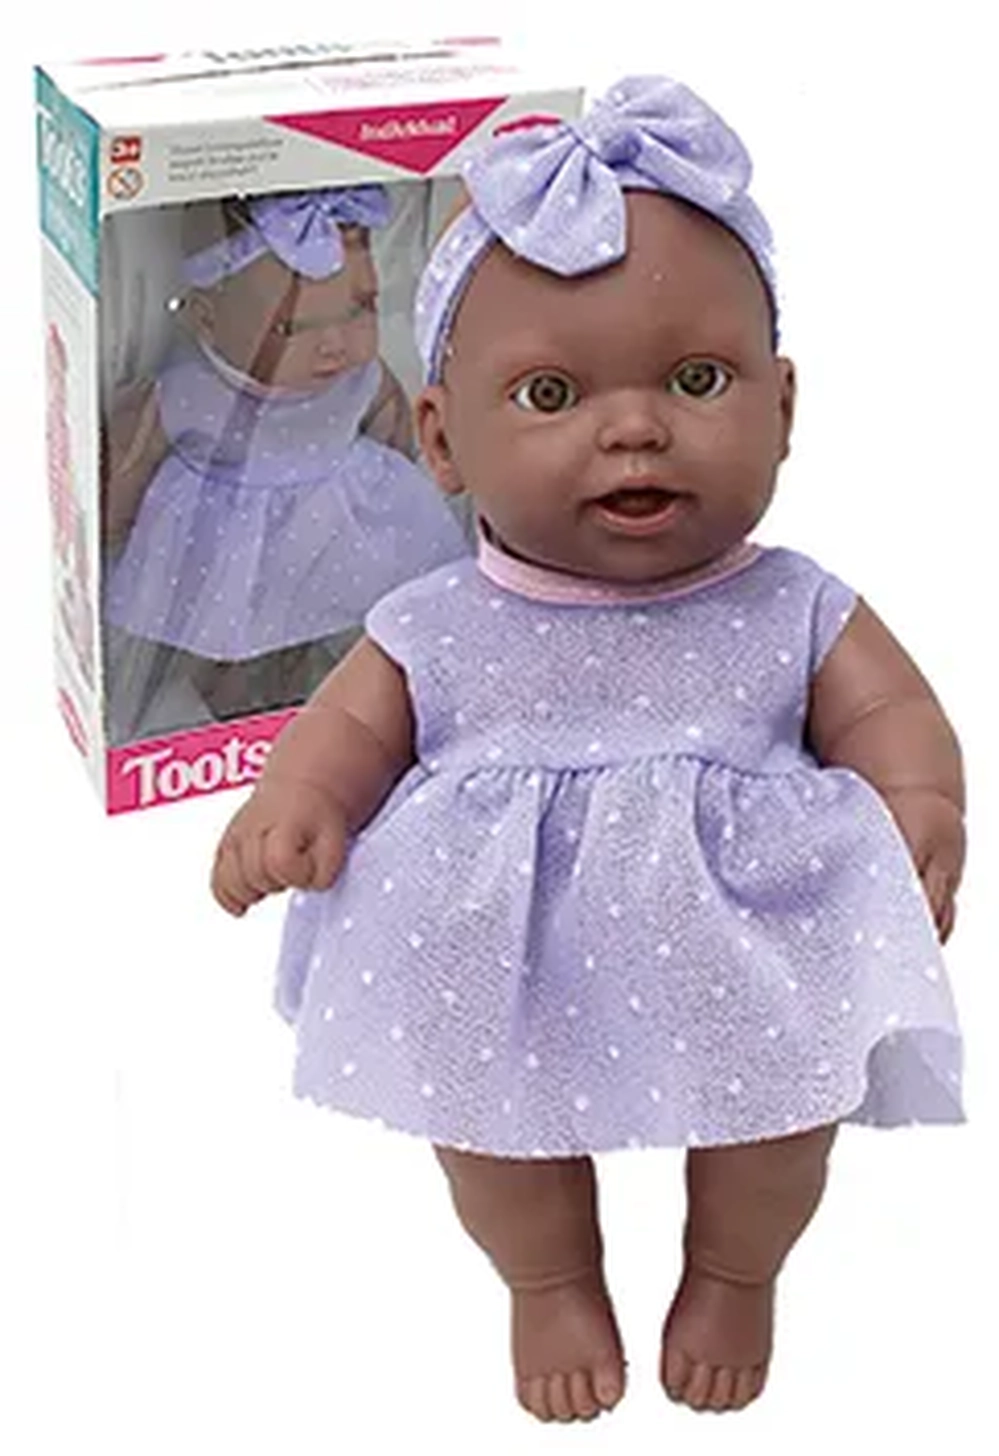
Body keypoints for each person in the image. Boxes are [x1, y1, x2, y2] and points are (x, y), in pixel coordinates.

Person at [211, 78, 965, 1422]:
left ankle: (734, 1270)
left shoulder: (789, 602)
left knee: (780, 1116)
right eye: (551, 392)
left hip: (744, 930)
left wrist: (919, 800)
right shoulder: (436, 619)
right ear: (441, 438)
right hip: (495, 948)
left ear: (784, 407)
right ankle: (548, 1279)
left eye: (697, 380)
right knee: (486, 1126)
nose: (633, 427)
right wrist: (299, 799)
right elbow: (349, 725)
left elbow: (889, 711)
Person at [102, 184, 466, 739]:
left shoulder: (359, 378)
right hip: (224, 548)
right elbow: (135, 451)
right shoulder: (191, 389)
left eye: (360, 309)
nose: (335, 344)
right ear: (206, 319)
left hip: (340, 530)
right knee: (223, 637)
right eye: (294, 326)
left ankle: (325, 697)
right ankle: (231, 721)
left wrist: (415, 466)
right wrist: (111, 514)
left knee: (353, 621)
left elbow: (393, 420)